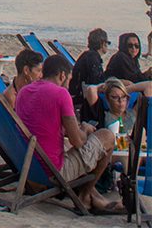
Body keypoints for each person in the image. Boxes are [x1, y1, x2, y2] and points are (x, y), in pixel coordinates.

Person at [15, 52, 119, 213]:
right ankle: (85, 196)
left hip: (28, 167)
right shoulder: (61, 94)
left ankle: (93, 195)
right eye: (69, 79)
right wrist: (84, 129)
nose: (69, 84)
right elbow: (78, 141)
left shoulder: (24, 92)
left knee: (74, 146)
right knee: (107, 137)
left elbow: (41, 124)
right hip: (53, 170)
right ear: (62, 75)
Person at [69, 28, 109, 110]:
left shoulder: (87, 55)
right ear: (102, 44)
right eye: (108, 43)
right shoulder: (93, 58)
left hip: (77, 94)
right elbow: (96, 82)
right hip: (82, 98)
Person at [0, 47, 44, 112]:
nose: (41, 75)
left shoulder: (32, 89)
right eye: (38, 71)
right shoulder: (11, 96)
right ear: (26, 70)